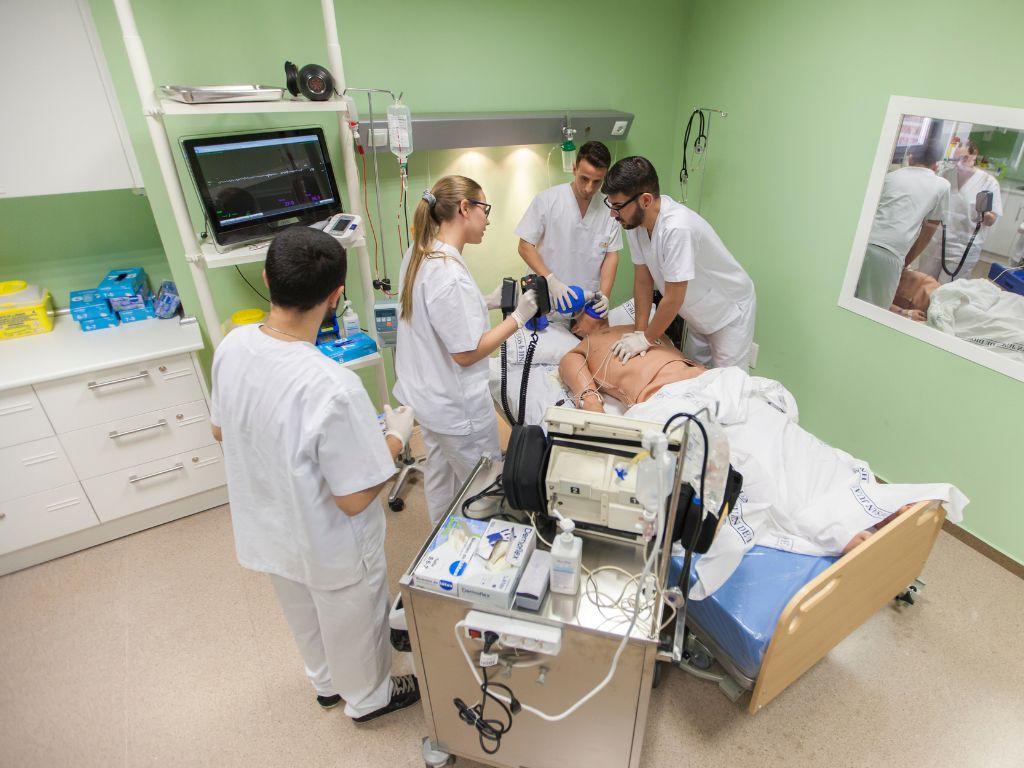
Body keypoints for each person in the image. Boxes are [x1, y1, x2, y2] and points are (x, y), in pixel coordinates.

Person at [210, 227, 420, 722]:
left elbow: (223, 431)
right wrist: (395, 438)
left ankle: (325, 684)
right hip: (331, 540)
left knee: (301, 609)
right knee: (353, 618)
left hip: (269, 521)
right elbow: (354, 498)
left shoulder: (232, 346)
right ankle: (369, 697)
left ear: (267, 279)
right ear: (335, 296)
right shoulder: (334, 386)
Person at [394, 176, 538, 524]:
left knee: (441, 479)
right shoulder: (449, 274)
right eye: (484, 209)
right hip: (457, 410)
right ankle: (479, 561)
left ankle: (439, 552)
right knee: (483, 487)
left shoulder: (419, 252)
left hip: (427, 401)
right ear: (464, 208)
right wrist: (519, 317)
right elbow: (467, 353)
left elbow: (436, 317)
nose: (488, 219)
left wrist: (483, 301)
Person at [600, 156, 757, 370]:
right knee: (696, 375)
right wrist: (639, 330)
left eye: (617, 206)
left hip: (729, 312)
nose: (613, 214)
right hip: (696, 311)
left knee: (728, 386)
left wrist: (645, 340)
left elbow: (674, 297)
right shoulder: (634, 224)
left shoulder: (677, 229)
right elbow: (643, 281)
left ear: (645, 200)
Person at [515, 141, 621, 335]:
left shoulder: (609, 209)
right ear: (574, 169)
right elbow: (524, 246)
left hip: (584, 310)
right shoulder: (547, 200)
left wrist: (604, 296)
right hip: (545, 306)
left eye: (597, 181)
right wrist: (551, 281)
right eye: (584, 178)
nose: (589, 188)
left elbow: (611, 256)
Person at [855, 143, 950, 308]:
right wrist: (906, 261)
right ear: (935, 165)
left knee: (850, 297)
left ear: (910, 158)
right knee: (875, 310)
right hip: (890, 251)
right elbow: (929, 230)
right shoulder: (942, 185)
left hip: (861, 242)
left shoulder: (891, 176)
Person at [560, 322, 706, 411]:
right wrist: (591, 402)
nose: (596, 302)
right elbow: (568, 363)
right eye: (588, 305)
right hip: (662, 392)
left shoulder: (640, 326)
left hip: (699, 375)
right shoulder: (588, 343)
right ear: (576, 328)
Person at [915, 140, 1002, 283]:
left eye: (964, 158)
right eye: (956, 158)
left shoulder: (988, 182)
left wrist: (985, 213)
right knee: (923, 285)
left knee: (947, 290)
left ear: (974, 156)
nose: (959, 163)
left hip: (963, 246)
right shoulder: (945, 175)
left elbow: (992, 220)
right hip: (936, 241)